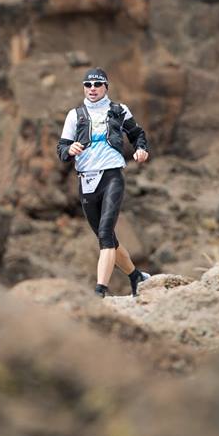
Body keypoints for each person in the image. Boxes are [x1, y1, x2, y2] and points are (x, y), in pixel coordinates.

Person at [57, 67, 151, 298]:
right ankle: (136, 277)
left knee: (106, 234)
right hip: (86, 179)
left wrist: (141, 149)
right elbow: (61, 149)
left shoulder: (119, 110)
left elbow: (138, 134)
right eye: (88, 85)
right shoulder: (74, 115)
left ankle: (100, 290)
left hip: (111, 175)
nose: (92, 89)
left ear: (106, 87)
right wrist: (70, 149)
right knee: (105, 237)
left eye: (97, 84)